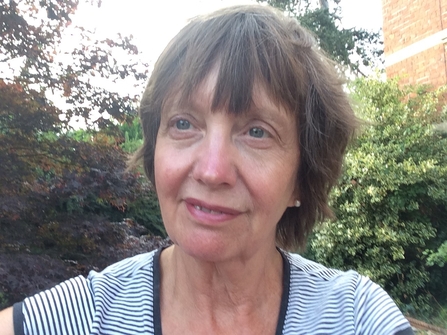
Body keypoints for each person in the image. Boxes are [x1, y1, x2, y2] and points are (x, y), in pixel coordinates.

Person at [0, 4, 414, 335]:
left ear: (301, 178)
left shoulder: (355, 318)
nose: (213, 170)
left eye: (257, 132)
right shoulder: (84, 319)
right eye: (184, 124)